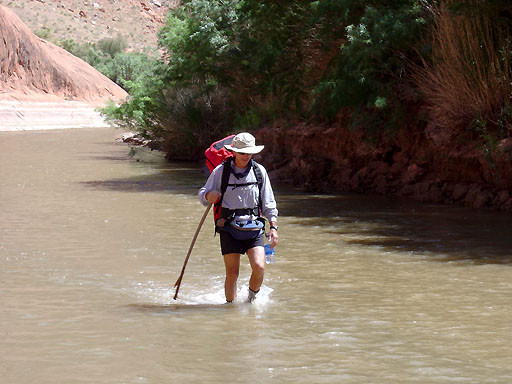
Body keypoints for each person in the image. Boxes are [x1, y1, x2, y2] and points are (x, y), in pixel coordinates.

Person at [198, 132, 278, 303]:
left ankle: (250, 300)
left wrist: (273, 226)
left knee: (259, 267)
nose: (246, 156)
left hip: (255, 227)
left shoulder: (259, 171)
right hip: (228, 227)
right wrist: (208, 196)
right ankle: (230, 310)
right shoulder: (221, 171)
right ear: (233, 152)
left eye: (249, 153)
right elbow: (203, 194)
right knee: (232, 273)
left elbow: (269, 201)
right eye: (242, 152)